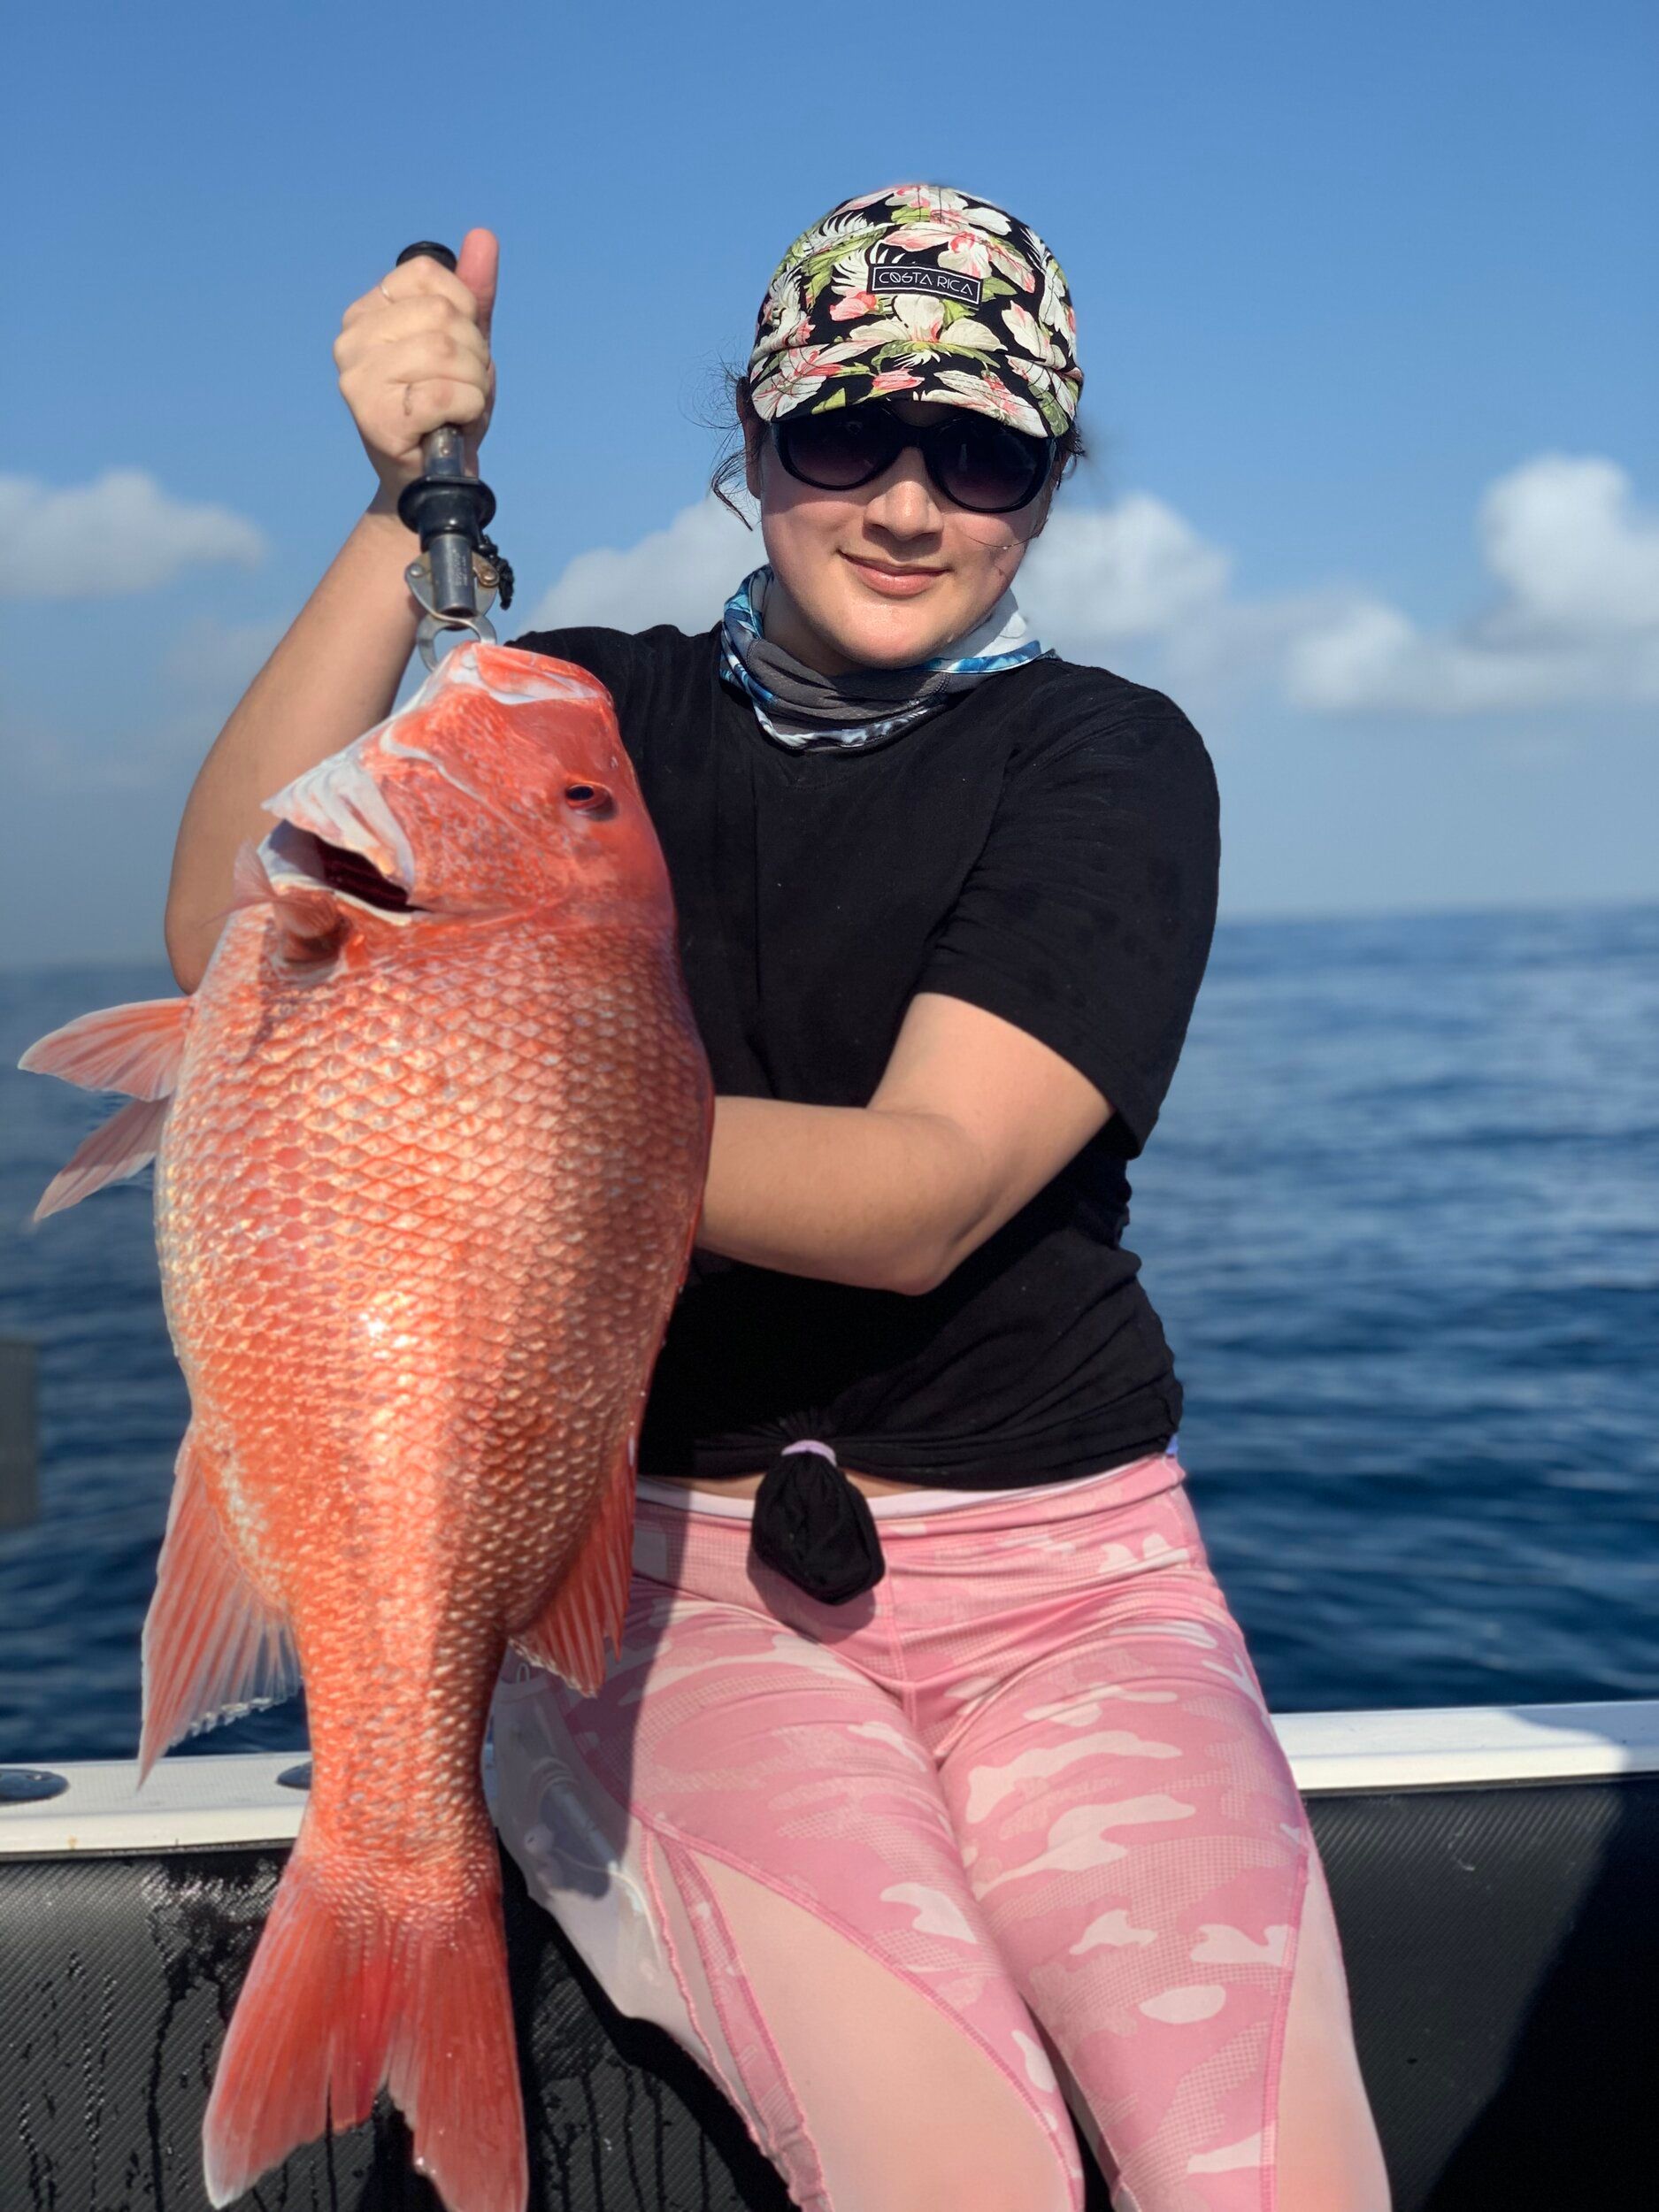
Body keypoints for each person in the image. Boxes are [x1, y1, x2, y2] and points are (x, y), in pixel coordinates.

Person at [164, 189, 1390, 2212]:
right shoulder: (570, 719)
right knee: (957, 2175)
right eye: (844, 436)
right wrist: (399, 509)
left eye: (981, 453)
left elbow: (921, 1189)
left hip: (1072, 1583)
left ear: (1044, 490)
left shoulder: (1102, 760)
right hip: (659, 1588)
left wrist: (481, 1107)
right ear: (750, 445)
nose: (907, 500)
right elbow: (223, 916)